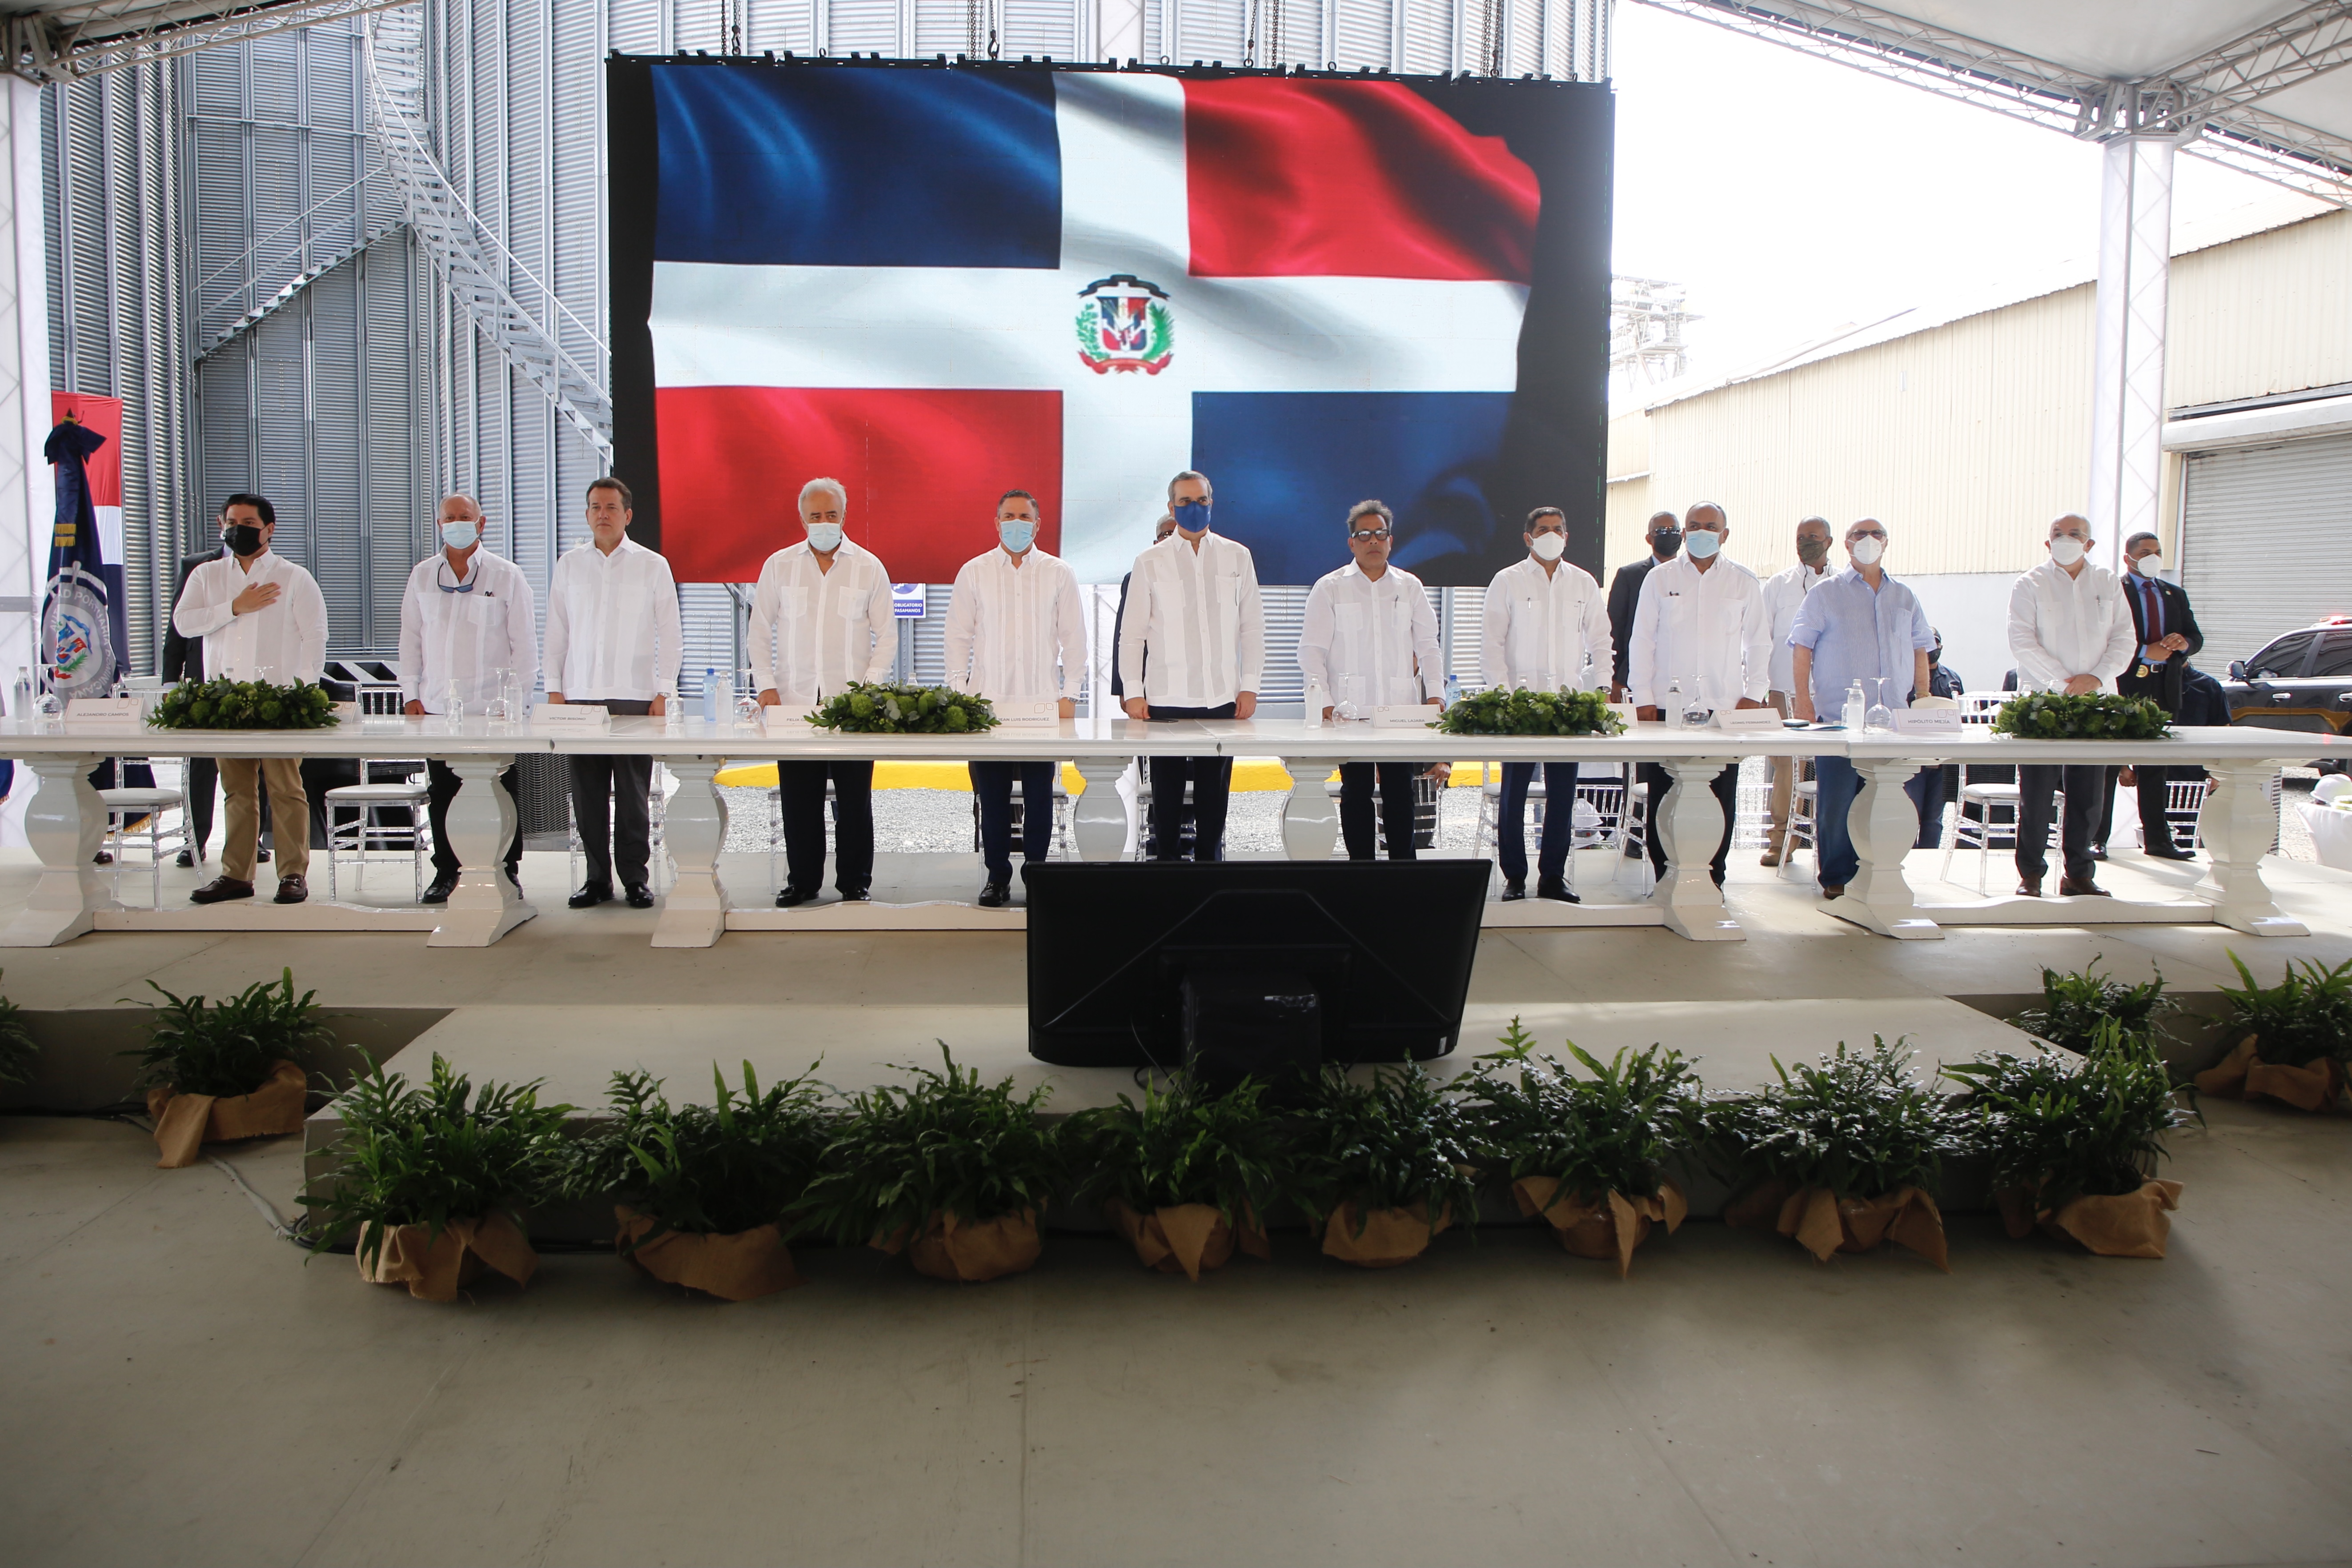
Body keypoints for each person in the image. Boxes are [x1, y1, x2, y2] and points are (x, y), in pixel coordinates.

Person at [170, 493, 328, 905]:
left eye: (248, 523)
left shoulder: (294, 577)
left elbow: (315, 638)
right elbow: (184, 623)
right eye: (231, 522)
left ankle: (292, 873)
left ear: (268, 529)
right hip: (226, 703)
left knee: (285, 789)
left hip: (279, 702)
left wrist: (303, 694)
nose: (237, 529)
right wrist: (234, 607)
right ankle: (236, 875)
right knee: (237, 791)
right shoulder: (207, 575)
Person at [751, 477, 895, 906]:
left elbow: (887, 636)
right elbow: (759, 630)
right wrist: (767, 685)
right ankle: (803, 881)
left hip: (852, 708)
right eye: (815, 516)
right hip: (793, 704)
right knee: (800, 801)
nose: (824, 522)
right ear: (802, 519)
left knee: (854, 802)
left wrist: (869, 691)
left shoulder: (869, 567)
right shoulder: (779, 566)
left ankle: (855, 882)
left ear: (844, 516)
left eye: (832, 514)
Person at [943, 489, 1086, 906]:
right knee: (993, 799)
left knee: (1040, 797)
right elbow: (957, 636)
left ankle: (1037, 876)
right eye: (1009, 516)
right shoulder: (975, 571)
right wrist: (959, 695)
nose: (1017, 523)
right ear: (997, 522)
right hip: (988, 708)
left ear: (1038, 525)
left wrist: (1071, 694)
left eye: (1025, 517)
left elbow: (1075, 638)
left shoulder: (1058, 572)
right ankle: (998, 877)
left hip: (1041, 706)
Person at [544, 476, 681, 910]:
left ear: (628, 514)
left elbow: (670, 633)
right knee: (587, 796)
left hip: (634, 695)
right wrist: (554, 689)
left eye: (611, 507)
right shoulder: (569, 565)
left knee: (633, 793)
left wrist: (664, 690)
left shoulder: (652, 565)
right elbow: (556, 631)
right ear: (587, 514)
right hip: (580, 695)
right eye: (595, 507)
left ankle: (635, 879)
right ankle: (597, 879)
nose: (602, 514)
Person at [1118, 470, 1264, 862]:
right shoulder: (1150, 561)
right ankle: (1168, 875)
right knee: (1166, 800)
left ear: (1211, 503)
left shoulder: (1238, 556)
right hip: (1165, 699)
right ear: (1172, 507)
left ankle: (1209, 874)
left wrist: (1250, 685)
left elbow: (1252, 627)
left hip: (1221, 697)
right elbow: (1132, 634)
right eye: (1185, 501)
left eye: (1201, 500)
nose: (1194, 508)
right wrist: (1133, 691)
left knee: (1213, 801)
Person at [1788, 518, 1935, 899]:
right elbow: (1802, 646)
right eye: (1859, 535)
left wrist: (1922, 697)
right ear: (1846, 544)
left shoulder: (1904, 596)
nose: (1868, 540)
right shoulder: (1825, 594)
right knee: (1838, 801)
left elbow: (1921, 647)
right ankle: (1837, 876)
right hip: (1839, 719)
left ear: (1886, 543)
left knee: (1888, 799)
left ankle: (1881, 869)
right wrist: (1803, 700)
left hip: (1893, 720)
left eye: (1876, 534)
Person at [401, 494, 538, 903]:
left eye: (465, 517)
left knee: (502, 792)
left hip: (493, 708)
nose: (457, 523)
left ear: (481, 524)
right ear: (439, 523)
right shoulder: (423, 575)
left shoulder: (506, 575)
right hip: (438, 707)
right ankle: (447, 871)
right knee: (443, 792)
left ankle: (507, 870)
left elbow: (524, 646)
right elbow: (410, 638)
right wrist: (410, 693)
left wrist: (518, 703)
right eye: (450, 517)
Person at [1626, 501, 1770, 887]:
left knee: (1720, 797)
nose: (1701, 532)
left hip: (1724, 708)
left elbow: (1759, 643)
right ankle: (1664, 878)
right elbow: (1642, 640)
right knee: (1664, 795)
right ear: (1684, 532)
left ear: (1725, 534)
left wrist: (1754, 694)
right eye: (1694, 525)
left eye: (1710, 526)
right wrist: (1643, 697)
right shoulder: (1659, 579)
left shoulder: (1743, 581)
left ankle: (1713, 879)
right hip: (1666, 708)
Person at [1477, 505, 1611, 899]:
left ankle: (1553, 875)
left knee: (1563, 795)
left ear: (1567, 537)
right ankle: (1515, 877)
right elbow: (1492, 643)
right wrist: (1503, 696)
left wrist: (1603, 689)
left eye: (1557, 529)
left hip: (1568, 707)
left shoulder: (1584, 583)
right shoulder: (1507, 580)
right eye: (1543, 530)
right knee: (1513, 794)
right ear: (1528, 537)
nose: (1551, 535)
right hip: (1519, 707)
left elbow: (1601, 639)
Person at [1300, 500, 1445, 864]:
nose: (1373, 541)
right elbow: (1312, 651)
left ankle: (1402, 873)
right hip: (1350, 713)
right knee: (1356, 792)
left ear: (1391, 540)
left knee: (1400, 793)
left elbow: (1429, 646)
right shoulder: (1330, 587)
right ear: (1352, 543)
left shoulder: (1410, 587)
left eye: (1380, 534)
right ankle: (1362, 872)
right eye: (1364, 535)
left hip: (1400, 712)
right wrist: (1325, 702)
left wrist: (1436, 696)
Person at [2006, 512, 2134, 897]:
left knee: (2088, 796)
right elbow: (2022, 640)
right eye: (2058, 534)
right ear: (2047, 543)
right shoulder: (2030, 583)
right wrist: (2063, 682)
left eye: (2074, 534)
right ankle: (2031, 875)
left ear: (2089, 544)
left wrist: (2096, 678)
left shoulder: (2107, 582)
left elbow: (2125, 637)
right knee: (2037, 794)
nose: (2065, 539)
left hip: (2096, 700)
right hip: (2044, 701)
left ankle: (2078, 874)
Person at [2107, 530, 2204, 860]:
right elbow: (2104, 637)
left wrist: (2184, 644)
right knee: (2108, 765)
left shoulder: (2173, 593)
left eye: (2158, 552)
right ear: (2128, 558)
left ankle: (2158, 841)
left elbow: (2195, 636)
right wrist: (2143, 652)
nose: (2154, 558)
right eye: (2146, 552)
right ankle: (2097, 839)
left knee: (2156, 767)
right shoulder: (2114, 591)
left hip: (2164, 687)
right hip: (2124, 684)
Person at [1608, 511, 1683, 858]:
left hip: (1676, 686)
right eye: (1660, 530)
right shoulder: (1630, 575)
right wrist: (1615, 679)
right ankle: (1636, 833)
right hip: (1633, 682)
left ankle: (1676, 832)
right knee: (1640, 762)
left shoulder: (1688, 576)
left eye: (1673, 529)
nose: (1668, 534)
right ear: (1649, 537)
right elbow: (1616, 628)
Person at [1758, 516, 1832, 866]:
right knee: (1787, 767)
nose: (1806, 543)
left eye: (1813, 537)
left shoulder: (1842, 584)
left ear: (1829, 541)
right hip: (1783, 689)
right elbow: (1760, 639)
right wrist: (1758, 688)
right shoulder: (1778, 585)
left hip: (1830, 692)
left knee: (1835, 767)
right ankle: (1781, 841)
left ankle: (1833, 845)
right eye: (1801, 537)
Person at [161, 530, 229, 868]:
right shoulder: (196, 566)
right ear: (221, 523)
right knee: (201, 766)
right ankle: (195, 841)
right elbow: (177, 627)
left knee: (255, 766)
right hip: (202, 679)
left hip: (251, 680)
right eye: (232, 521)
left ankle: (252, 841)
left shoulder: (272, 568)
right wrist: (171, 683)